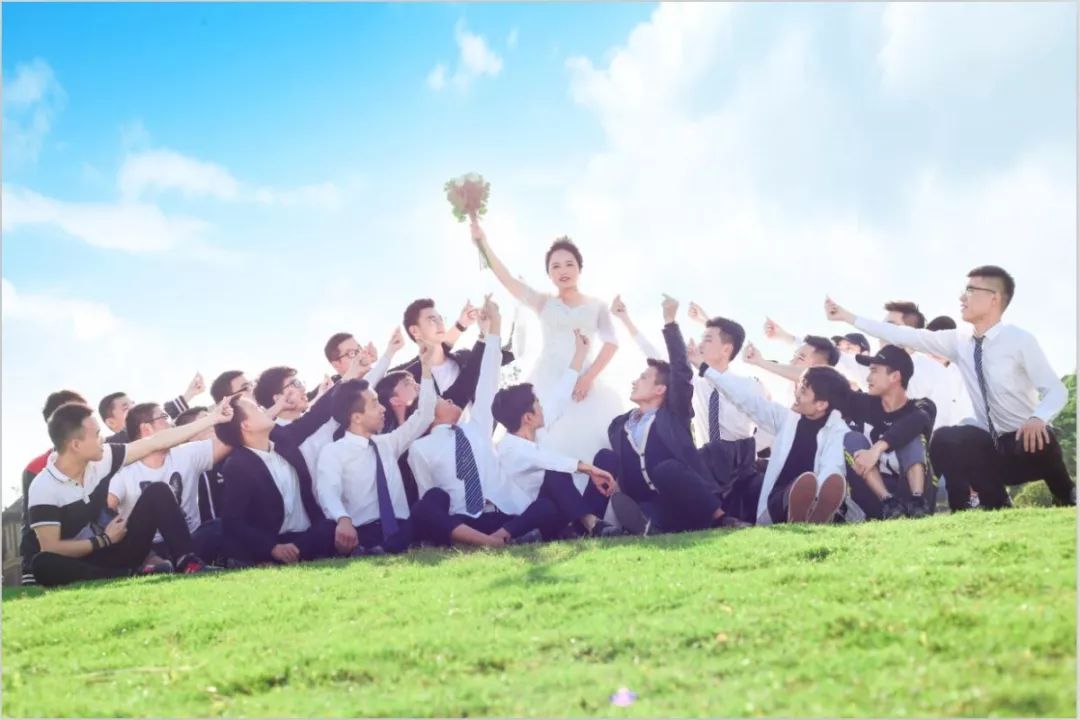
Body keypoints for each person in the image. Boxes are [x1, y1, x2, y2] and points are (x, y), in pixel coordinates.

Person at [825, 264, 1075, 510]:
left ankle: (1064, 494)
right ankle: (984, 505)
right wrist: (848, 317)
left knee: (1043, 436)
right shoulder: (959, 342)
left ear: (994, 299)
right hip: (990, 448)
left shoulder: (1019, 340)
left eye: (970, 290)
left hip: (1026, 444)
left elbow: (1056, 390)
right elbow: (904, 335)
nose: (962, 297)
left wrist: (1037, 418)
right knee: (945, 438)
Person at [468, 220, 625, 470]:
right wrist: (483, 243)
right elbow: (507, 279)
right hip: (548, 380)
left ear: (580, 268)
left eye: (569, 264)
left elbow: (611, 344)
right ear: (549, 273)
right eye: (555, 266)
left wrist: (588, 378)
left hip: (585, 380)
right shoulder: (543, 302)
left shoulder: (597, 305)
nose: (563, 270)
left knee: (594, 445)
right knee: (544, 442)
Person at [26, 400, 231, 586]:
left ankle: (187, 562)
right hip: (85, 558)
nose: (102, 439)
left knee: (158, 491)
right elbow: (51, 547)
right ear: (76, 445)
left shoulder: (103, 458)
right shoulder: (43, 487)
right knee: (43, 563)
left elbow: (155, 441)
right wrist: (103, 540)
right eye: (96, 435)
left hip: (119, 548)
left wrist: (213, 418)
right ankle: (124, 575)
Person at [409, 297, 561, 547]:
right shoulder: (420, 448)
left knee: (546, 507)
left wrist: (495, 328)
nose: (451, 400)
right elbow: (428, 495)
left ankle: (499, 537)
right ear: (428, 412)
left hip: (503, 513)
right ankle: (492, 539)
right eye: (443, 400)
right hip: (464, 521)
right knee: (425, 507)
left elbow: (488, 377)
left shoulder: (476, 426)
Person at [593, 295, 749, 535]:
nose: (635, 381)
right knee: (608, 461)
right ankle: (611, 527)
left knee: (667, 469)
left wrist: (670, 321)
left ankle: (720, 519)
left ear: (660, 389)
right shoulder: (618, 425)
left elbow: (680, 369)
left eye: (643, 378)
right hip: (646, 502)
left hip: (682, 495)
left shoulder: (673, 415)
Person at [493, 329, 622, 538]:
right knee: (554, 472)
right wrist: (589, 469)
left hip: (564, 511)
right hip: (538, 515)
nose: (542, 407)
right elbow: (546, 459)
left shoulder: (535, 428)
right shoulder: (508, 447)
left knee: (606, 458)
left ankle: (589, 526)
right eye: (538, 403)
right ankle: (590, 523)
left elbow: (560, 395)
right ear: (528, 417)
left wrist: (580, 353)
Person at [214, 375, 351, 566]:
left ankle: (295, 554)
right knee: (236, 541)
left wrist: (350, 375)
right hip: (274, 540)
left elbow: (316, 415)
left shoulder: (284, 440)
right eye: (256, 409)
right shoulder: (237, 465)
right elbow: (233, 521)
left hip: (306, 535)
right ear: (246, 425)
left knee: (330, 527)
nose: (264, 410)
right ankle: (275, 557)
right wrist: (272, 548)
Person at [315, 344, 437, 556]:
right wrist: (343, 519)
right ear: (356, 417)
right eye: (374, 404)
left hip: (401, 527)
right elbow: (328, 492)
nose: (382, 409)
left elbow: (425, 415)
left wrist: (426, 369)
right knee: (326, 530)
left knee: (435, 498)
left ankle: (382, 549)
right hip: (362, 530)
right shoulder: (333, 452)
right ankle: (375, 548)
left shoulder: (388, 443)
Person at [709, 349, 852, 525]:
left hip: (816, 496)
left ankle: (816, 512)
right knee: (800, 486)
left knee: (820, 482)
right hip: (776, 503)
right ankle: (804, 513)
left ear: (821, 405)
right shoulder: (786, 419)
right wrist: (707, 371)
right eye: (799, 387)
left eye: (803, 391)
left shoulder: (838, 431)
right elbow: (747, 401)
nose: (796, 393)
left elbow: (832, 467)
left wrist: (819, 494)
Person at [107, 401, 234, 564]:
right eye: (164, 417)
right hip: (148, 547)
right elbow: (107, 509)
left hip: (190, 539)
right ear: (146, 428)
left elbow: (232, 439)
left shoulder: (186, 453)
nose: (171, 424)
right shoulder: (124, 469)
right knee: (158, 492)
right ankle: (158, 564)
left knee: (222, 526)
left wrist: (232, 413)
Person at [841, 345, 937, 520]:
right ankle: (888, 502)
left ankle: (917, 502)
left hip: (913, 491)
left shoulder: (921, 406)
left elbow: (916, 420)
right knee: (852, 438)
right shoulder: (864, 403)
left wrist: (876, 449)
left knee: (911, 437)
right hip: (876, 498)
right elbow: (825, 388)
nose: (868, 377)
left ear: (895, 376)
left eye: (874, 371)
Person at [390, 298, 515, 409]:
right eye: (432, 320)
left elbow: (505, 354)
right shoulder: (411, 380)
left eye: (440, 319)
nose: (440, 324)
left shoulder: (465, 357)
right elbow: (458, 395)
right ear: (414, 331)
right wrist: (481, 334)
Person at [19, 390, 87, 585]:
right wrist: (30, 567)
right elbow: (31, 523)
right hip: (57, 554)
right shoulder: (36, 468)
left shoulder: (101, 456)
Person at [881, 301, 954, 432]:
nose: (879, 332)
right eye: (880, 327)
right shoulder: (875, 369)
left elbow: (940, 426)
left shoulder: (935, 373)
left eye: (890, 327)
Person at [98, 371, 205, 443]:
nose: (133, 408)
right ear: (111, 422)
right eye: (125, 408)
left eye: (133, 404)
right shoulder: (109, 449)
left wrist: (189, 394)